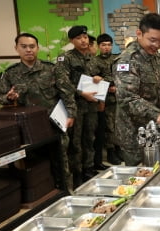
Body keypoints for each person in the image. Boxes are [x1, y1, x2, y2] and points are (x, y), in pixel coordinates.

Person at [0, 33, 76, 190]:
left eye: (32, 47)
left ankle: (66, 192)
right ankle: (45, 195)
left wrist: (71, 114)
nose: (28, 50)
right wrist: (9, 97)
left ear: (37, 48)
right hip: (28, 129)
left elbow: (66, 92)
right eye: (24, 47)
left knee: (61, 161)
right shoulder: (10, 73)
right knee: (36, 165)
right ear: (16, 48)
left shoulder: (52, 69)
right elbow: (0, 98)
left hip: (53, 123)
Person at [112, 13, 160, 166]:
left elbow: (159, 84)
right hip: (133, 133)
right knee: (139, 178)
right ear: (139, 34)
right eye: (152, 40)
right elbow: (127, 98)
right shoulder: (127, 60)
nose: (157, 45)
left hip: (153, 129)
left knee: (157, 172)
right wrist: (157, 113)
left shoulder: (155, 57)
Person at [55, 25, 102, 187]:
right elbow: (62, 84)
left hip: (91, 107)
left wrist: (98, 79)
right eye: (79, 38)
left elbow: (100, 78)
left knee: (90, 138)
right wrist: (81, 93)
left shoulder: (92, 58)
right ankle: (77, 174)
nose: (83, 40)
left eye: (85, 37)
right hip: (75, 107)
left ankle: (89, 169)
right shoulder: (65, 58)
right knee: (75, 142)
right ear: (72, 41)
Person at [89, 33, 122, 169]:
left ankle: (119, 148)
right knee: (109, 126)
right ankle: (110, 152)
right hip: (105, 100)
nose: (106, 48)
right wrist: (108, 86)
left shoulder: (117, 59)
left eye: (109, 45)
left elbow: (122, 76)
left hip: (119, 98)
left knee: (118, 125)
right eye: (103, 45)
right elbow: (93, 80)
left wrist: (110, 83)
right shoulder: (94, 62)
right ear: (98, 46)